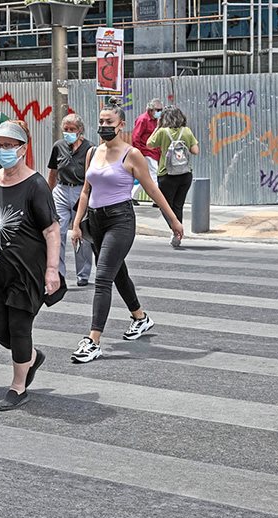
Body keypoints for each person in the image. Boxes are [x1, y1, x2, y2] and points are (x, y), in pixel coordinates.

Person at [69, 99, 184, 364]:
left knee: (103, 278)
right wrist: (76, 225)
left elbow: (153, 190)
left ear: (121, 125)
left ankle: (93, 340)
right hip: (95, 221)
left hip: (120, 220)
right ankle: (140, 317)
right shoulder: (92, 153)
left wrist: (174, 220)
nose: (104, 126)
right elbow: (86, 191)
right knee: (118, 273)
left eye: (109, 122)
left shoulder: (132, 155)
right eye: (101, 121)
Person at [0, 120, 60, 412]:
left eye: (8, 145)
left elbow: (51, 230)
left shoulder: (35, 184)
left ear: (23, 149)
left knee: (19, 327)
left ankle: (18, 387)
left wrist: (52, 270)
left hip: (26, 273)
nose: (2, 150)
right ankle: (30, 356)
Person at [47, 113, 95, 286]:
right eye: (65, 129)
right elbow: (53, 172)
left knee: (79, 232)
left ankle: (83, 274)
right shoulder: (58, 146)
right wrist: (48, 193)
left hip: (80, 191)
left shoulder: (90, 149)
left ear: (80, 130)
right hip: (61, 190)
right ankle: (58, 273)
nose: (68, 132)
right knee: (57, 232)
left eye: (72, 129)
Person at [147, 105, 200, 247]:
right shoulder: (187, 131)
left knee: (164, 206)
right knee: (178, 205)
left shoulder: (163, 132)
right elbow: (195, 150)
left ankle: (175, 230)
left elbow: (149, 145)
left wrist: (157, 128)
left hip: (166, 174)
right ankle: (177, 233)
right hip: (185, 174)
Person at [130, 98, 164, 202]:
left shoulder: (156, 121)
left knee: (145, 176)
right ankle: (157, 200)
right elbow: (136, 137)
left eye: (160, 110)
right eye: (157, 110)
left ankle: (132, 196)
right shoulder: (143, 120)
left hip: (154, 152)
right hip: (146, 152)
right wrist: (139, 153)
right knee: (154, 175)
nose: (159, 112)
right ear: (150, 110)